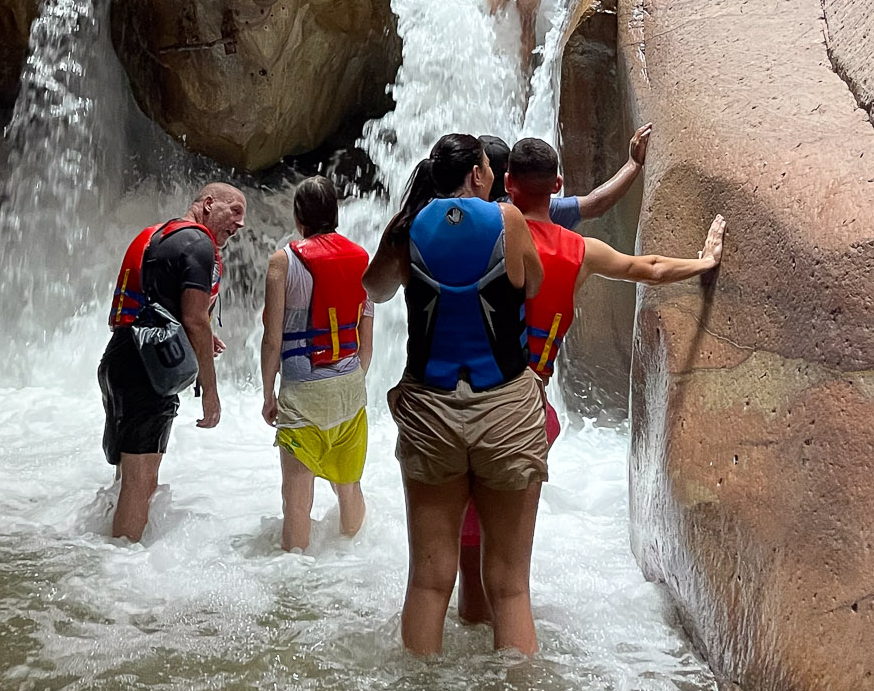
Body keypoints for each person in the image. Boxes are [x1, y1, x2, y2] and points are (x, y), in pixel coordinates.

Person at [457, 135, 724, 625]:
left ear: (507, 184)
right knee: (512, 563)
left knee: (468, 540)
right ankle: (511, 646)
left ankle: (471, 624)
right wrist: (705, 262)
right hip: (530, 412)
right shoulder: (582, 251)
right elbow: (650, 268)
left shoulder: (484, 234)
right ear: (556, 186)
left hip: (472, 400)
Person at [364, 133, 547, 655]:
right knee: (510, 587)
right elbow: (531, 284)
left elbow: (374, 288)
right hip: (505, 408)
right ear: (477, 173)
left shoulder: (407, 226)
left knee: (428, 581)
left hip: (430, 408)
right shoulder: (508, 220)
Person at [99, 182, 248, 540]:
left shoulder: (159, 235)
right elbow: (195, 318)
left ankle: (110, 546)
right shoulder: (198, 244)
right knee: (142, 480)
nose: (240, 224)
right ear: (209, 204)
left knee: (127, 473)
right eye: (235, 211)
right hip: (147, 373)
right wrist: (210, 392)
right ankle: (121, 569)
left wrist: (196, 336)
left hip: (118, 360)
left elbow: (158, 303)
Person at [261, 176, 374, 551]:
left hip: (303, 393)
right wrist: (353, 381)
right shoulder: (362, 260)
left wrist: (267, 394)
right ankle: (353, 558)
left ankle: (294, 576)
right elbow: (366, 341)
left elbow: (272, 338)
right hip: (349, 388)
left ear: (299, 216)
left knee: (296, 499)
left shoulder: (284, 262)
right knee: (349, 486)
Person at [547, 123, 653, 231]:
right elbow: (596, 204)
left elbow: (596, 204)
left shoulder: (546, 209)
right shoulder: (550, 210)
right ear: (558, 184)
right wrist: (633, 164)